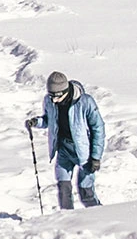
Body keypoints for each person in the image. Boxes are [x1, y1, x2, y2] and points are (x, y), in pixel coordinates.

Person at [25, 71, 105, 209]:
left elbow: (98, 128)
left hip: (83, 152)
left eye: (57, 97)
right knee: (63, 190)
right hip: (63, 149)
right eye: (51, 96)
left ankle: (100, 218)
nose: (54, 100)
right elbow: (48, 119)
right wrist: (35, 122)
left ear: (65, 91)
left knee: (86, 191)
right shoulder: (49, 100)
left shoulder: (85, 102)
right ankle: (68, 222)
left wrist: (96, 157)